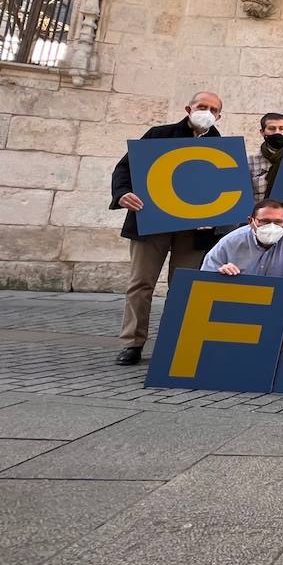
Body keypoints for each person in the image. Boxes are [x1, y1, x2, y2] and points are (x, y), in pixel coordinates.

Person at [110, 90, 227, 365]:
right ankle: (132, 343)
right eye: (202, 106)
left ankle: (174, 343)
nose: (206, 112)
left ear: (219, 115)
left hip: (195, 231)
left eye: (213, 109)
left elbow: (225, 190)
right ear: (188, 108)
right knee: (140, 283)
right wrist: (122, 193)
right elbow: (124, 168)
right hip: (151, 224)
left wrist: (218, 217)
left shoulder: (223, 147)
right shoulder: (158, 135)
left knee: (184, 287)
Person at [202, 199, 283, 279]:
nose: (271, 226)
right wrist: (220, 275)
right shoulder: (231, 241)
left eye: (278, 222)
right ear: (251, 221)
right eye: (264, 221)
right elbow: (204, 277)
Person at [249, 112, 283, 200]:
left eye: (282, 128)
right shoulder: (249, 161)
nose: (277, 132)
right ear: (262, 132)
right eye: (272, 128)